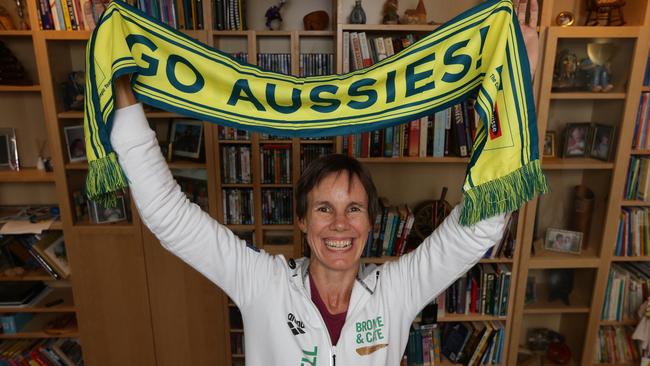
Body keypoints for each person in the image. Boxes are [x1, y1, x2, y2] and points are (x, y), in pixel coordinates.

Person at [108, 2, 538, 363]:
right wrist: (124, 97)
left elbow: (478, 228)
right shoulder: (262, 284)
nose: (339, 224)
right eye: (323, 208)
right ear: (301, 221)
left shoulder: (399, 290)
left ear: (371, 220)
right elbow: (169, 216)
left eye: (353, 209)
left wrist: (518, 85)